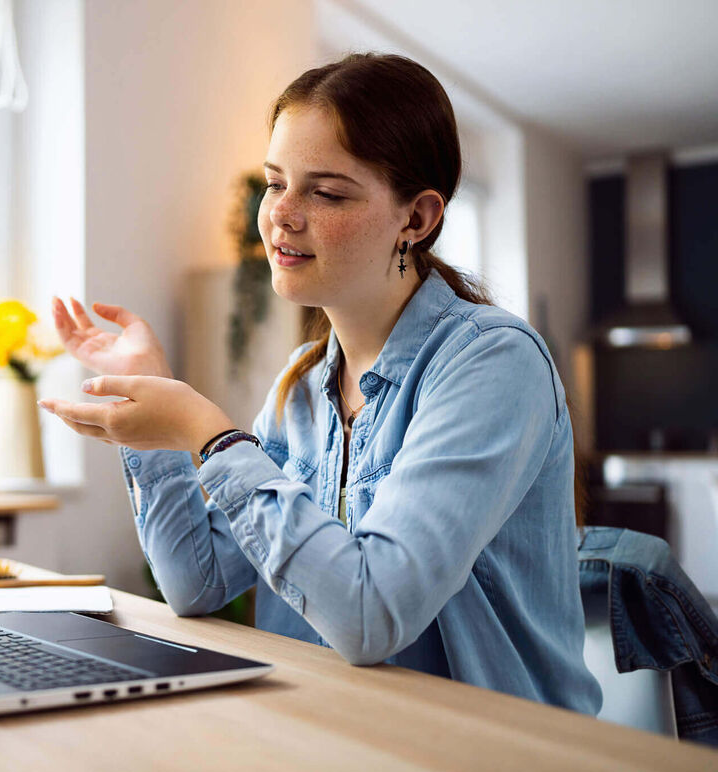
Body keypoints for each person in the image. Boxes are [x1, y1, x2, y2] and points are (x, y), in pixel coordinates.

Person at [37, 53, 602, 714]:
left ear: (416, 219)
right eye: (276, 183)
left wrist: (211, 439)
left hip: (498, 757)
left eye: (326, 192)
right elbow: (199, 582)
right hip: (333, 734)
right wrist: (150, 399)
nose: (282, 215)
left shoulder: (494, 365)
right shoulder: (302, 386)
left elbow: (372, 615)